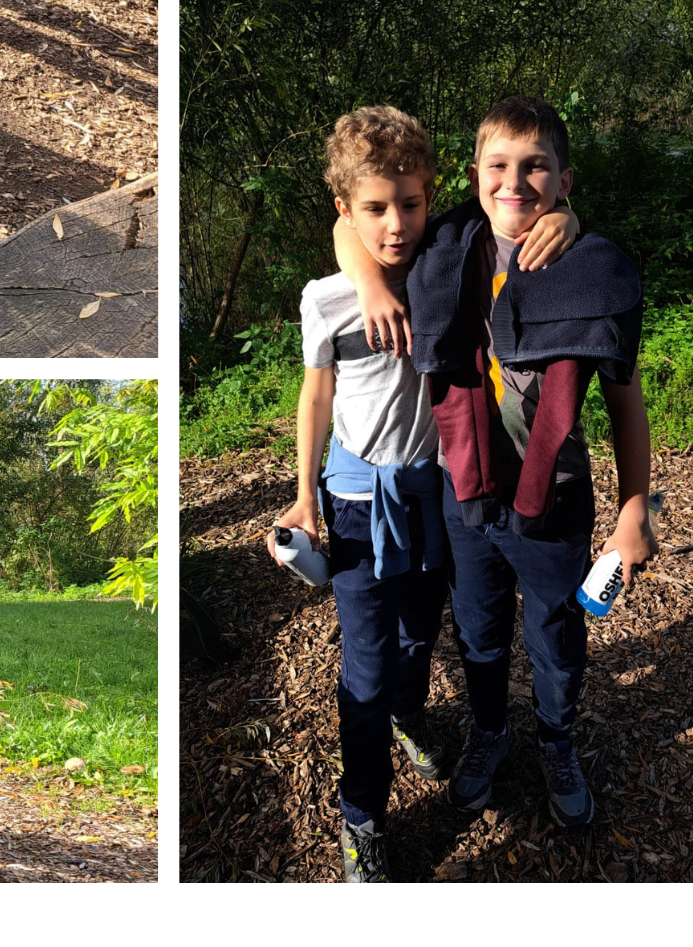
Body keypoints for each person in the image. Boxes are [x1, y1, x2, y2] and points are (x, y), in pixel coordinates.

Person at [407, 98, 654, 828]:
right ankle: (490, 732)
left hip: (556, 498)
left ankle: (556, 739)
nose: (515, 182)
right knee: (478, 631)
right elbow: (348, 221)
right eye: (499, 166)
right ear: (475, 174)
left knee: (555, 634)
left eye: (535, 166)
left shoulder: (593, 270)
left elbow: (625, 400)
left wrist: (634, 508)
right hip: (466, 494)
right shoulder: (442, 250)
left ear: (565, 179)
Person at [273, 108, 452, 882]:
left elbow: (514, 224)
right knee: (367, 666)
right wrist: (302, 496)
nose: (396, 224)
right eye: (376, 208)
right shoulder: (327, 299)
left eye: (410, 204)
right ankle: (362, 816)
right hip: (351, 502)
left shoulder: (447, 275)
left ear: (430, 198)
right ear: (346, 210)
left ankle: (412, 718)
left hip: (435, 498)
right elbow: (317, 397)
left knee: (420, 634)